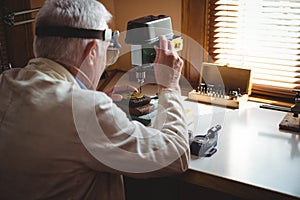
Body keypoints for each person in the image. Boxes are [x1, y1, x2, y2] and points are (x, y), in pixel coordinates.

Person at [0, 0, 190, 199]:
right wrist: (170, 86)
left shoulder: (6, 82)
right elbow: (175, 155)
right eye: (106, 50)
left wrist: (93, 99)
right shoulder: (86, 111)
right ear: (91, 51)